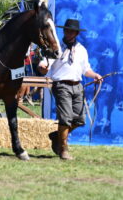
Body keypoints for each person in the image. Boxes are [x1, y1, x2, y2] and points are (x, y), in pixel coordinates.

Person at [44, 19, 102, 160]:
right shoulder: (56, 46)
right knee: (65, 119)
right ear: (63, 31)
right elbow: (46, 63)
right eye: (66, 30)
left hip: (78, 86)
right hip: (61, 85)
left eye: (71, 31)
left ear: (76, 33)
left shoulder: (82, 49)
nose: (68, 33)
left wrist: (95, 75)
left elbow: (85, 69)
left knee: (80, 120)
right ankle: (63, 150)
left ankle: (56, 136)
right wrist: (42, 66)